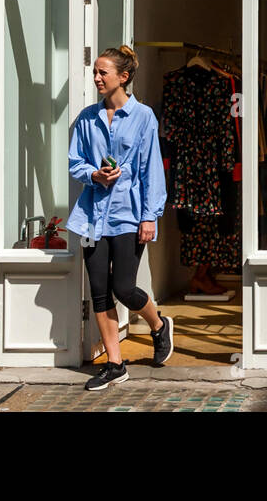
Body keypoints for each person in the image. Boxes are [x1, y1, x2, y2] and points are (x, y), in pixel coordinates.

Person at [65, 45, 172, 391]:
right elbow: (75, 162)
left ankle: (158, 325)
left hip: (129, 214)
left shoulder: (144, 117)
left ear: (123, 77)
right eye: (94, 72)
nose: (96, 78)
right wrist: (94, 175)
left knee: (123, 287)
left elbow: (150, 169)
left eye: (102, 73)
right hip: (91, 217)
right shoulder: (86, 118)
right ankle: (115, 363)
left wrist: (150, 216)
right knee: (99, 291)